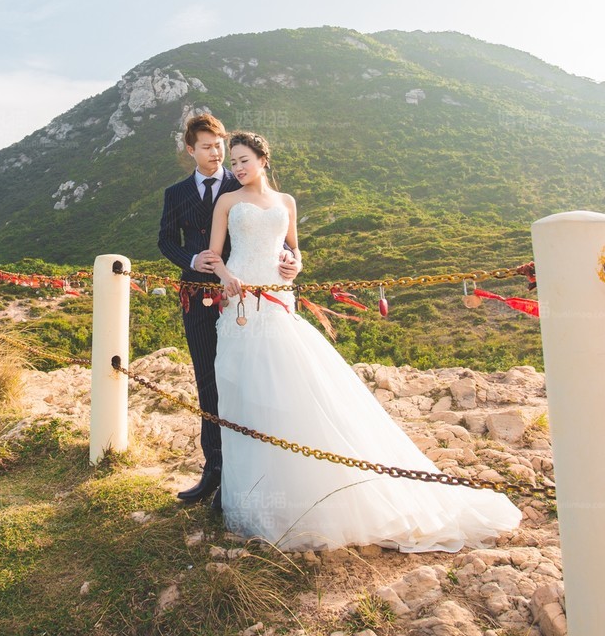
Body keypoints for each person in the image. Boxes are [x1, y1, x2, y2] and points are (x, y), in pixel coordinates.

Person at [206, 131, 521, 552]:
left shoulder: (287, 203)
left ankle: (306, 499)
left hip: (278, 300)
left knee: (287, 389)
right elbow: (213, 255)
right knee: (246, 396)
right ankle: (257, 503)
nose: (238, 168)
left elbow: (297, 255)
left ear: (263, 160)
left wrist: (293, 266)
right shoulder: (227, 201)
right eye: (235, 163)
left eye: (245, 160)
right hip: (240, 301)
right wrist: (227, 279)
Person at [158, 114, 300, 508]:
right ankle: (214, 471)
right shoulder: (177, 193)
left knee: (254, 382)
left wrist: (291, 259)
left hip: (251, 299)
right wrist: (193, 260)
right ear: (191, 150)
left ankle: (252, 476)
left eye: (220, 145)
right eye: (206, 146)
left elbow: (280, 237)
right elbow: (166, 240)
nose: (217, 154)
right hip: (199, 297)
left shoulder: (243, 182)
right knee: (210, 383)